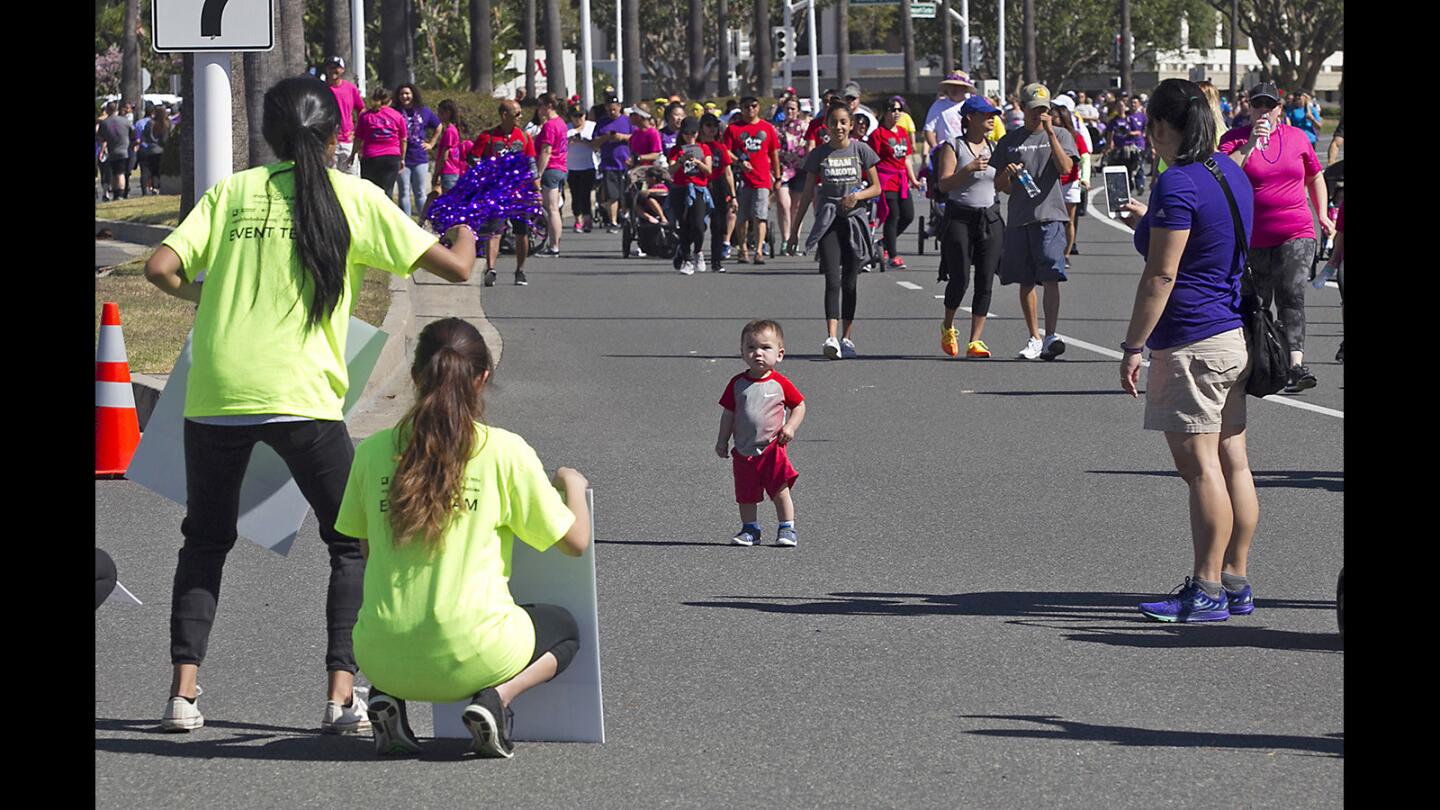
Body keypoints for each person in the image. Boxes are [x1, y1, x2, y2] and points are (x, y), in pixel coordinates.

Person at [142, 76, 477, 733]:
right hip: (303, 396)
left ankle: (183, 696)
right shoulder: (355, 196)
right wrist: (467, 229)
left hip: (219, 392)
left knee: (205, 542)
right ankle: (339, 697)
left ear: (268, 133)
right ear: (335, 135)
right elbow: (456, 270)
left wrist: (205, 298)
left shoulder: (234, 192)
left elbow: (159, 268)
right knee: (349, 543)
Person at [336, 317, 591, 758]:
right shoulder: (502, 451)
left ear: (415, 376)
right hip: (475, 654)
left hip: (378, 655)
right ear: (483, 378)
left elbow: (367, 549)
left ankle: (387, 698)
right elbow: (575, 542)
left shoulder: (372, 452)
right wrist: (572, 484)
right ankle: (497, 699)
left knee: (399, 632)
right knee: (565, 629)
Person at [1113, 78, 1259, 624]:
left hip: (1192, 340)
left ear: (1159, 126)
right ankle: (1237, 580)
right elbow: (1205, 241)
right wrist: (1145, 222)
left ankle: (1206, 588)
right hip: (1231, 334)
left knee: (1201, 471)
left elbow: (1162, 274)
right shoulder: (1230, 172)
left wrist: (1133, 345)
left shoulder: (1177, 184)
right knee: (1233, 465)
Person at [1219, 81, 1333, 393]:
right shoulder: (1233, 140)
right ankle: (1259, 364)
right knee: (1256, 303)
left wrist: (1321, 214)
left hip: (1296, 231)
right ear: (1249, 108)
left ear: (1279, 110)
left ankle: (1296, 365)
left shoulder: (1296, 138)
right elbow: (1224, 176)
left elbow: (1315, 176)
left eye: (1270, 106)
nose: (1264, 112)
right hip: (1252, 237)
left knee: (1291, 294)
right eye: (1258, 106)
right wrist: (1250, 145)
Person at [786, 103, 883, 359]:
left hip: (854, 221)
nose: (838, 127)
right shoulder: (819, 154)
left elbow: (877, 188)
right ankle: (831, 337)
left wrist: (856, 196)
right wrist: (795, 231)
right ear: (826, 126)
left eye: (843, 122)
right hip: (828, 220)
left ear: (851, 125)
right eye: (834, 123)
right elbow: (807, 194)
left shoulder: (861, 150)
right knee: (832, 277)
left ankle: (847, 338)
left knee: (850, 281)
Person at [994, 83, 1077, 361]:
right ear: (1024, 109)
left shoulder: (1061, 134)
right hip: (1020, 217)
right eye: (1035, 109)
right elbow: (1001, 186)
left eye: (1044, 109)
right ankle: (1034, 337)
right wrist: (1008, 173)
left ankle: (1051, 335)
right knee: (1026, 280)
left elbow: (1066, 169)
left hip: (1051, 214)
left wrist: (1051, 132)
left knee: (1051, 276)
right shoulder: (1010, 140)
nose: (1039, 114)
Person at [716, 320, 807, 547]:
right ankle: (750, 530)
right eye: (751, 348)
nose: (758, 353)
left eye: (766, 348)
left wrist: (790, 427)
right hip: (744, 451)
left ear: (779, 354)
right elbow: (728, 414)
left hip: (772, 450)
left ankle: (787, 527)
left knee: (779, 490)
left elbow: (799, 405)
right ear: (742, 353)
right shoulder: (737, 384)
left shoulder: (780, 383)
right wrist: (722, 441)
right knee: (746, 495)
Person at [935, 96, 1005, 359]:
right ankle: (948, 325)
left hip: (989, 218)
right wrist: (968, 169)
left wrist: (1008, 174)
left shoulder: (995, 147)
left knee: (985, 279)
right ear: (970, 118)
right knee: (960, 277)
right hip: (959, 218)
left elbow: (1001, 187)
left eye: (993, 115)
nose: (991, 118)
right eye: (986, 114)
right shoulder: (954, 146)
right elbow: (944, 185)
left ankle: (975, 340)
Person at [470, 100, 540, 287]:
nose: (520, 116)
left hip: (519, 191)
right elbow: (473, 157)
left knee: (521, 232)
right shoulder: (488, 136)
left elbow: (532, 166)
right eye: (516, 114)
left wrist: (537, 190)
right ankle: (491, 268)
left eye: (520, 113)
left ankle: (520, 270)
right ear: (504, 115)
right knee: (495, 230)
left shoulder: (524, 137)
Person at [723, 97, 782, 265]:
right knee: (742, 217)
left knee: (760, 215)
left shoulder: (767, 128)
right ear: (741, 108)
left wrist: (777, 177)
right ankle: (743, 249)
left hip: (762, 179)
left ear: (758, 108)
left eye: (754, 106)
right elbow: (725, 151)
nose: (750, 109)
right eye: (746, 106)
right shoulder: (733, 129)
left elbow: (774, 154)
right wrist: (739, 162)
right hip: (742, 180)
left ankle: (758, 250)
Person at [869, 99, 921, 269]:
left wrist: (913, 179)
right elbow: (871, 160)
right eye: (893, 110)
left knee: (908, 215)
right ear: (885, 112)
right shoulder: (878, 134)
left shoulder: (902, 132)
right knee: (893, 215)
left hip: (901, 179)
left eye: (899, 110)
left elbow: (905, 159)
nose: (897, 113)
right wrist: (873, 182)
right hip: (886, 179)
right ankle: (893, 256)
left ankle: (883, 243)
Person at [667, 117, 716, 274]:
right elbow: (670, 170)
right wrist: (681, 161)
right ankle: (687, 258)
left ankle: (698, 252)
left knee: (698, 224)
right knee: (683, 223)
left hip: (698, 188)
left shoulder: (704, 148)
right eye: (687, 133)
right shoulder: (676, 150)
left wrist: (698, 162)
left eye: (693, 133)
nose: (690, 136)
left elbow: (709, 171)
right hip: (680, 188)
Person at [1049, 95, 1090, 264]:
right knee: (1052, 220)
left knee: (1068, 220)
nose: (1052, 118)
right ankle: (1052, 251)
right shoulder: (1047, 134)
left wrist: (1085, 178)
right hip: (1052, 183)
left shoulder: (1076, 136)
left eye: (1055, 116)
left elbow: (1085, 157)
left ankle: (1066, 254)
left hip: (1071, 181)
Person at [352, 86, 409, 201]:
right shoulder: (397, 116)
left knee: (369, 193)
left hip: (371, 157)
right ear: (390, 100)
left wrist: (353, 154)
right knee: (387, 192)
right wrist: (402, 158)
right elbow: (403, 139)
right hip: (391, 157)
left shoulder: (365, 116)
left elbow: (358, 138)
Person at [394, 84, 441, 217]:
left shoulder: (423, 111)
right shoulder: (395, 111)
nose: (404, 96)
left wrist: (431, 143)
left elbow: (439, 126)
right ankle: (406, 223)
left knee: (420, 192)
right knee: (403, 192)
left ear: (413, 94)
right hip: (401, 157)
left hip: (419, 157)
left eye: (407, 93)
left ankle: (423, 221)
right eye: (402, 94)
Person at [700, 113, 737, 273]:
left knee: (718, 225)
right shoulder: (697, 146)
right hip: (701, 185)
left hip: (718, 186)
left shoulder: (720, 148)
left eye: (714, 126)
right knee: (697, 224)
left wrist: (733, 196)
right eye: (708, 126)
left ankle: (716, 261)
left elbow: (728, 173)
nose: (711, 129)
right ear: (701, 127)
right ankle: (693, 254)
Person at [533, 93, 569, 256]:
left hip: (551, 168)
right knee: (554, 208)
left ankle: (554, 246)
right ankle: (554, 244)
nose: (538, 108)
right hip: (561, 167)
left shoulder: (550, 125)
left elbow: (546, 151)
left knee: (552, 208)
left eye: (541, 105)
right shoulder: (561, 123)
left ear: (549, 106)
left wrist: (538, 174)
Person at [592, 97, 633, 234]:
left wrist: (622, 137)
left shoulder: (627, 121)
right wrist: (606, 138)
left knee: (626, 193)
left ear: (620, 107)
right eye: (609, 109)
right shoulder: (602, 122)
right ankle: (613, 221)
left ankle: (626, 218)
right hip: (609, 163)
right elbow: (595, 144)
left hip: (626, 162)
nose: (612, 112)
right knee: (612, 194)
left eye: (614, 109)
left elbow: (635, 137)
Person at [776, 97, 810, 257]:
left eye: (793, 109)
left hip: (800, 169)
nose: (790, 112)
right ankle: (785, 239)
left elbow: (809, 145)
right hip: (783, 170)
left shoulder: (804, 126)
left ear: (798, 110)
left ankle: (793, 240)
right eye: (787, 108)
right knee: (784, 205)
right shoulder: (777, 128)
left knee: (796, 207)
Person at [323, 56, 365, 176]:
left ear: (342, 70)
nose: (332, 71)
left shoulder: (350, 88)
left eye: (336, 68)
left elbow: (361, 110)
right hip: (328, 142)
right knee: (330, 179)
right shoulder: (321, 88)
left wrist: (358, 131)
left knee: (352, 179)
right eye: (330, 67)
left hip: (348, 141)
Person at [923, 70, 977, 159]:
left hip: (967, 151)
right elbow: (928, 129)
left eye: (958, 86)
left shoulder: (971, 105)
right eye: (951, 86)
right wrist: (935, 148)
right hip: (944, 151)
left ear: (964, 89)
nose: (954, 89)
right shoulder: (939, 105)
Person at [565, 105, 598, 233]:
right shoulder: (567, 128)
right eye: (575, 116)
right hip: (572, 167)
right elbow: (561, 144)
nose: (578, 119)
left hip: (589, 165)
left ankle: (587, 219)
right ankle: (578, 220)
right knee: (575, 195)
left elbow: (596, 144)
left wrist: (583, 141)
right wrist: (570, 140)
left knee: (586, 194)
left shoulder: (592, 126)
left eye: (581, 116)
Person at [97, 101, 133, 201]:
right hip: (124, 151)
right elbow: (132, 133)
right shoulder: (125, 121)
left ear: (107, 110)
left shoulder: (104, 123)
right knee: (121, 173)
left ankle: (116, 193)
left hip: (112, 151)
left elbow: (101, 137)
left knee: (114, 173)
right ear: (116, 109)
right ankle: (120, 194)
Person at [430, 99, 466, 196]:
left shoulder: (449, 131)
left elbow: (444, 156)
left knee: (449, 199)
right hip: (452, 171)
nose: (438, 115)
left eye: (440, 113)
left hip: (448, 171)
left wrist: (436, 174)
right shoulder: (452, 129)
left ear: (447, 113)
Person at [138, 103, 170, 196]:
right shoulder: (168, 123)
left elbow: (144, 136)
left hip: (151, 150)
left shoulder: (150, 123)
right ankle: (159, 186)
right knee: (160, 170)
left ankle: (154, 187)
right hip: (163, 150)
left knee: (152, 171)